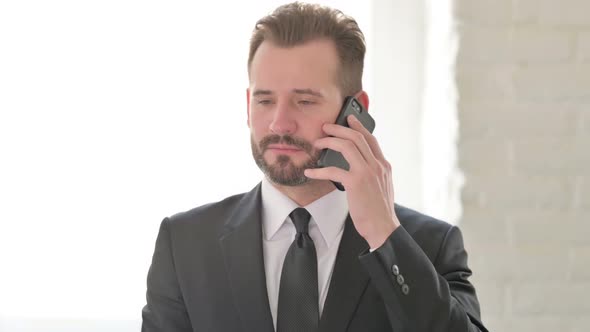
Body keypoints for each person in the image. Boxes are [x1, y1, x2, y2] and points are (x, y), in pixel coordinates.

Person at [141, 2, 488, 331]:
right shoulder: (184, 244)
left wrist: (383, 233)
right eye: (264, 100)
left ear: (355, 109)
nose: (279, 123)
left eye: (304, 101)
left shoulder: (430, 245)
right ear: (248, 104)